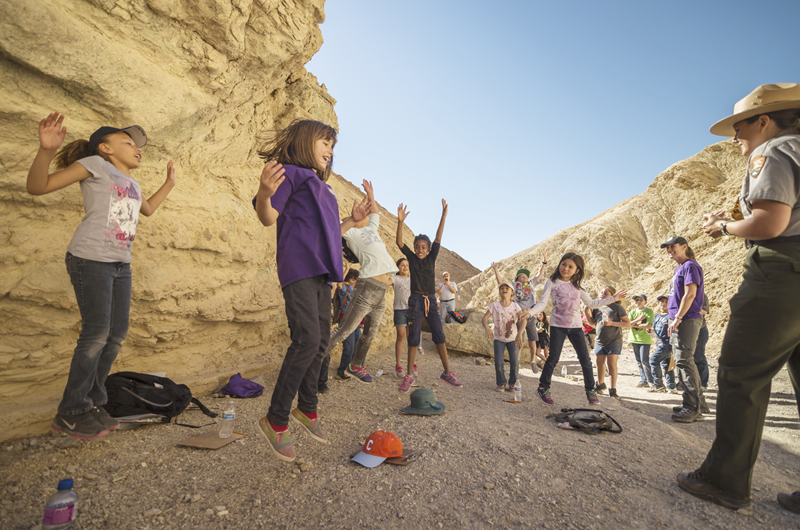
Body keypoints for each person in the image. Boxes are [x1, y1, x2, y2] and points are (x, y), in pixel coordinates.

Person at [678, 83, 800, 513]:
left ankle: (725, 481)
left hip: (781, 274)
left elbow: (770, 222)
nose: (735, 136)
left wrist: (723, 229)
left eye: (739, 125)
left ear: (763, 120)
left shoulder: (775, 151)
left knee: (741, 374)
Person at [27, 113, 176, 439]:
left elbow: (147, 209)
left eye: (138, 145)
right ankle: (70, 411)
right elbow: (38, 187)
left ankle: (92, 404)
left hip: (120, 264)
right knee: (95, 335)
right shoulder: (95, 164)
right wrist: (45, 151)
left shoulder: (132, 183)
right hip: (90, 259)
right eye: (128, 142)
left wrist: (169, 184)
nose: (137, 148)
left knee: (115, 335)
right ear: (105, 148)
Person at [253, 119, 371, 462]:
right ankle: (275, 419)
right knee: (306, 340)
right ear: (305, 141)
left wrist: (352, 221)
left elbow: (329, 230)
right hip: (299, 268)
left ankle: (307, 409)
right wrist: (263, 192)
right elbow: (267, 216)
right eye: (325, 142)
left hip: (322, 274)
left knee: (320, 342)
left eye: (333, 146)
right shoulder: (289, 173)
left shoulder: (321, 187)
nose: (330, 150)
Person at [521, 253, 627, 405]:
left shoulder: (578, 285)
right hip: (558, 326)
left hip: (576, 327)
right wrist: (530, 313)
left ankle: (590, 391)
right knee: (553, 358)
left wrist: (613, 299)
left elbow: (591, 303)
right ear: (559, 264)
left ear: (577, 270)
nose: (566, 268)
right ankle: (543, 388)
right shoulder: (552, 282)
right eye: (564, 264)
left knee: (585, 359)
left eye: (571, 267)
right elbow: (543, 303)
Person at [322, 180, 399, 384]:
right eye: (358, 215)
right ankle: (312, 359)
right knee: (344, 330)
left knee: (370, 334)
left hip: (381, 290)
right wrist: (350, 219)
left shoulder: (372, 229)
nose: (366, 214)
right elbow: (334, 232)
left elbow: (374, 213)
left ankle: (355, 366)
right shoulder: (353, 232)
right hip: (367, 287)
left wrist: (371, 193)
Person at [396, 200, 462, 392]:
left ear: (428, 248)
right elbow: (399, 242)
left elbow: (438, 237)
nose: (420, 250)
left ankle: (447, 372)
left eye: (423, 247)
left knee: (439, 335)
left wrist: (443, 216)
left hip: (431, 300)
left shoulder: (432, 256)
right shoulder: (411, 258)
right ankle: (409, 375)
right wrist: (400, 221)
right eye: (417, 246)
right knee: (413, 337)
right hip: (415, 300)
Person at [661, 236, 708, 423]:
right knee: (681, 361)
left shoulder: (690, 266)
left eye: (672, 246)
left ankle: (692, 408)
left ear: (684, 247)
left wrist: (678, 318)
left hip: (687, 320)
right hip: (679, 320)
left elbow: (690, 295)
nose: (669, 250)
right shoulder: (678, 269)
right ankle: (697, 403)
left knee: (684, 361)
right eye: (667, 248)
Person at [491, 252, 548, 371]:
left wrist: (544, 261)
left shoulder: (530, 283)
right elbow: (501, 283)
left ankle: (533, 360)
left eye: (526, 276)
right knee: (519, 340)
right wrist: (496, 270)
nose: (525, 278)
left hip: (530, 316)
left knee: (533, 341)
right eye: (522, 276)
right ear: (517, 278)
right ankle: (516, 362)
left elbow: (539, 274)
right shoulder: (514, 285)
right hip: (519, 316)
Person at [318, 268, 362, 392]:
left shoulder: (355, 289)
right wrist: (346, 269)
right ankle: (341, 372)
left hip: (355, 321)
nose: (354, 281)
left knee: (357, 343)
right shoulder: (345, 288)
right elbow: (338, 283)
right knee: (349, 346)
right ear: (347, 279)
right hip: (346, 321)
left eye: (356, 279)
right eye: (353, 279)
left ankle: (351, 368)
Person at [583, 286, 630, 398]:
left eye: (606, 293)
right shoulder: (597, 307)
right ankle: (600, 384)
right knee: (599, 364)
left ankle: (612, 389)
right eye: (601, 293)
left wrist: (612, 323)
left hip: (614, 340)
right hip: (599, 340)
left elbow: (627, 323)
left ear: (612, 296)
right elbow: (594, 324)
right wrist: (586, 311)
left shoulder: (617, 308)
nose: (602, 295)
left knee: (611, 365)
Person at [482, 282, 522, 391]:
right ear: (499, 292)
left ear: (512, 292)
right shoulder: (494, 305)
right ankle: (501, 383)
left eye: (507, 288)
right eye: (502, 288)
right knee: (499, 362)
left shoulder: (515, 306)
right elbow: (484, 318)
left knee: (515, 362)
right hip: (498, 339)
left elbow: (523, 321)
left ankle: (512, 383)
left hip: (512, 339)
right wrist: (486, 327)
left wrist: (520, 334)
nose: (504, 289)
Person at [389, 258, 416, 379]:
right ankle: (398, 365)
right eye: (402, 265)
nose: (405, 267)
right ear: (398, 267)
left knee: (411, 337)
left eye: (407, 265)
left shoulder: (412, 279)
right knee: (401, 335)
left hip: (412, 311)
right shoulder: (395, 278)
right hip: (399, 310)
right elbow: (385, 282)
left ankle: (412, 363)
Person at [649, 295, 677, 394]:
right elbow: (653, 331)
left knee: (653, 360)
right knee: (666, 365)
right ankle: (671, 386)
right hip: (659, 343)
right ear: (658, 304)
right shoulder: (657, 316)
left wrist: (673, 347)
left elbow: (674, 332)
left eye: (666, 302)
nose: (664, 304)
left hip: (667, 344)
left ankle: (658, 384)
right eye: (662, 301)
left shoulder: (671, 316)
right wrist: (650, 332)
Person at [628, 294, 656, 389]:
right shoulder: (633, 312)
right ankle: (644, 380)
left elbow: (648, 325)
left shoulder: (649, 311)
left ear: (645, 302)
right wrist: (639, 319)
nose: (638, 301)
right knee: (639, 361)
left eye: (640, 300)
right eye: (636, 300)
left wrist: (634, 324)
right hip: (634, 339)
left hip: (645, 339)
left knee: (644, 360)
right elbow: (628, 324)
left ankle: (650, 380)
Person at [694, 293, 711, 390]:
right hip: (686, 330)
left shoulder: (702, 295)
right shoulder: (680, 293)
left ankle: (703, 383)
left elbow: (704, 310)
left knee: (699, 356)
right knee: (686, 356)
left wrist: (687, 309)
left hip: (700, 329)